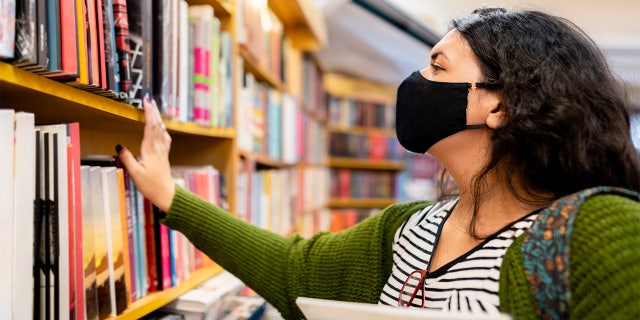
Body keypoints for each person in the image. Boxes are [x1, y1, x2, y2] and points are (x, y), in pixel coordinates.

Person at [116, 7, 640, 320]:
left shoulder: (600, 232)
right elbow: (290, 269)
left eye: (437, 66)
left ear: (499, 105)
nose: (415, 83)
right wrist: (171, 197)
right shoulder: (406, 231)